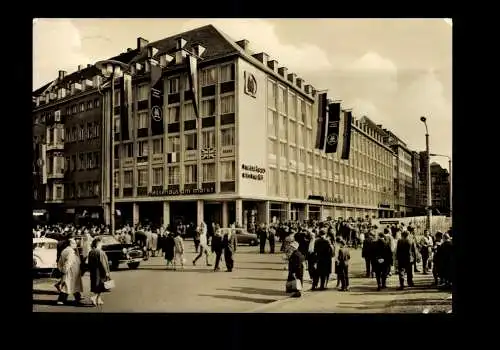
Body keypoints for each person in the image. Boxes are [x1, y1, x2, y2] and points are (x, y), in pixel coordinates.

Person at [56, 238, 84, 305]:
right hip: (71, 272)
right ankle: (61, 300)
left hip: (70, 271)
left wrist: (61, 269)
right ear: (70, 244)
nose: (76, 244)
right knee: (67, 286)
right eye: (74, 243)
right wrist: (64, 270)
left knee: (73, 285)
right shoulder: (71, 251)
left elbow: (60, 261)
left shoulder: (65, 250)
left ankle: (78, 298)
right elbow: (68, 262)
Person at [87, 237, 111, 306]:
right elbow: (103, 263)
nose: (102, 244)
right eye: (101, 243)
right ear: (98, 244)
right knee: (100, 285)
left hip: (93, 271)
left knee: (96, 285)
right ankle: (94, 297)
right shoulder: (100, 252)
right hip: (100, 272)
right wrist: (106, 272)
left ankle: (99, 299)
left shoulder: (91, 252)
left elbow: (89, 263)